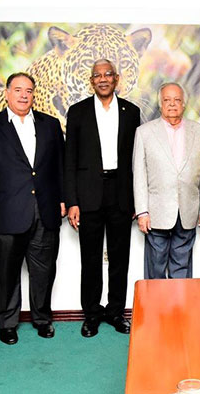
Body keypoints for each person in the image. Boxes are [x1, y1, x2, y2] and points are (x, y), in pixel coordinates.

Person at [0, 72, 65, 345]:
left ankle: (42, 319)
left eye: (29, 91)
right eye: (18, 90)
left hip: (44, 210)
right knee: (8, 271)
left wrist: (62, 199)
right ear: (7, 93)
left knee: (44, 269)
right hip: (5, 211)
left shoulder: (50, 125)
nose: (24, 95)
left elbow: (59, 165)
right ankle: (7, 322)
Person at [64, 59, 141, 337]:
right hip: (88, 196)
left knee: (120, 258)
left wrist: (137, 201)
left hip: (121, 194)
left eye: (108, 74)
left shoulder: (131, 112)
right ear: (91, 81)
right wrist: (72, 201)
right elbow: (69, 159)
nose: (103, 79)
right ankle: (92, 314)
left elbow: (137, 160)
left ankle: (117, 312)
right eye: (97, 75)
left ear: (117, 79)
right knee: (91, 258)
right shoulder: (78, 112)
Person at [133, 82, 200, 279]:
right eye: (167, 100)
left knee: (182, 269)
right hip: (156, 212)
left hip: (188, 211)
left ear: (184, 104)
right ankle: (155, 309)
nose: (172, 104)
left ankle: (180, 309)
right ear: (160, 104)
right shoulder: (144, 133)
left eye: (177, 100)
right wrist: (142, 211)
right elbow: (139, 174)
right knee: (156, 269)